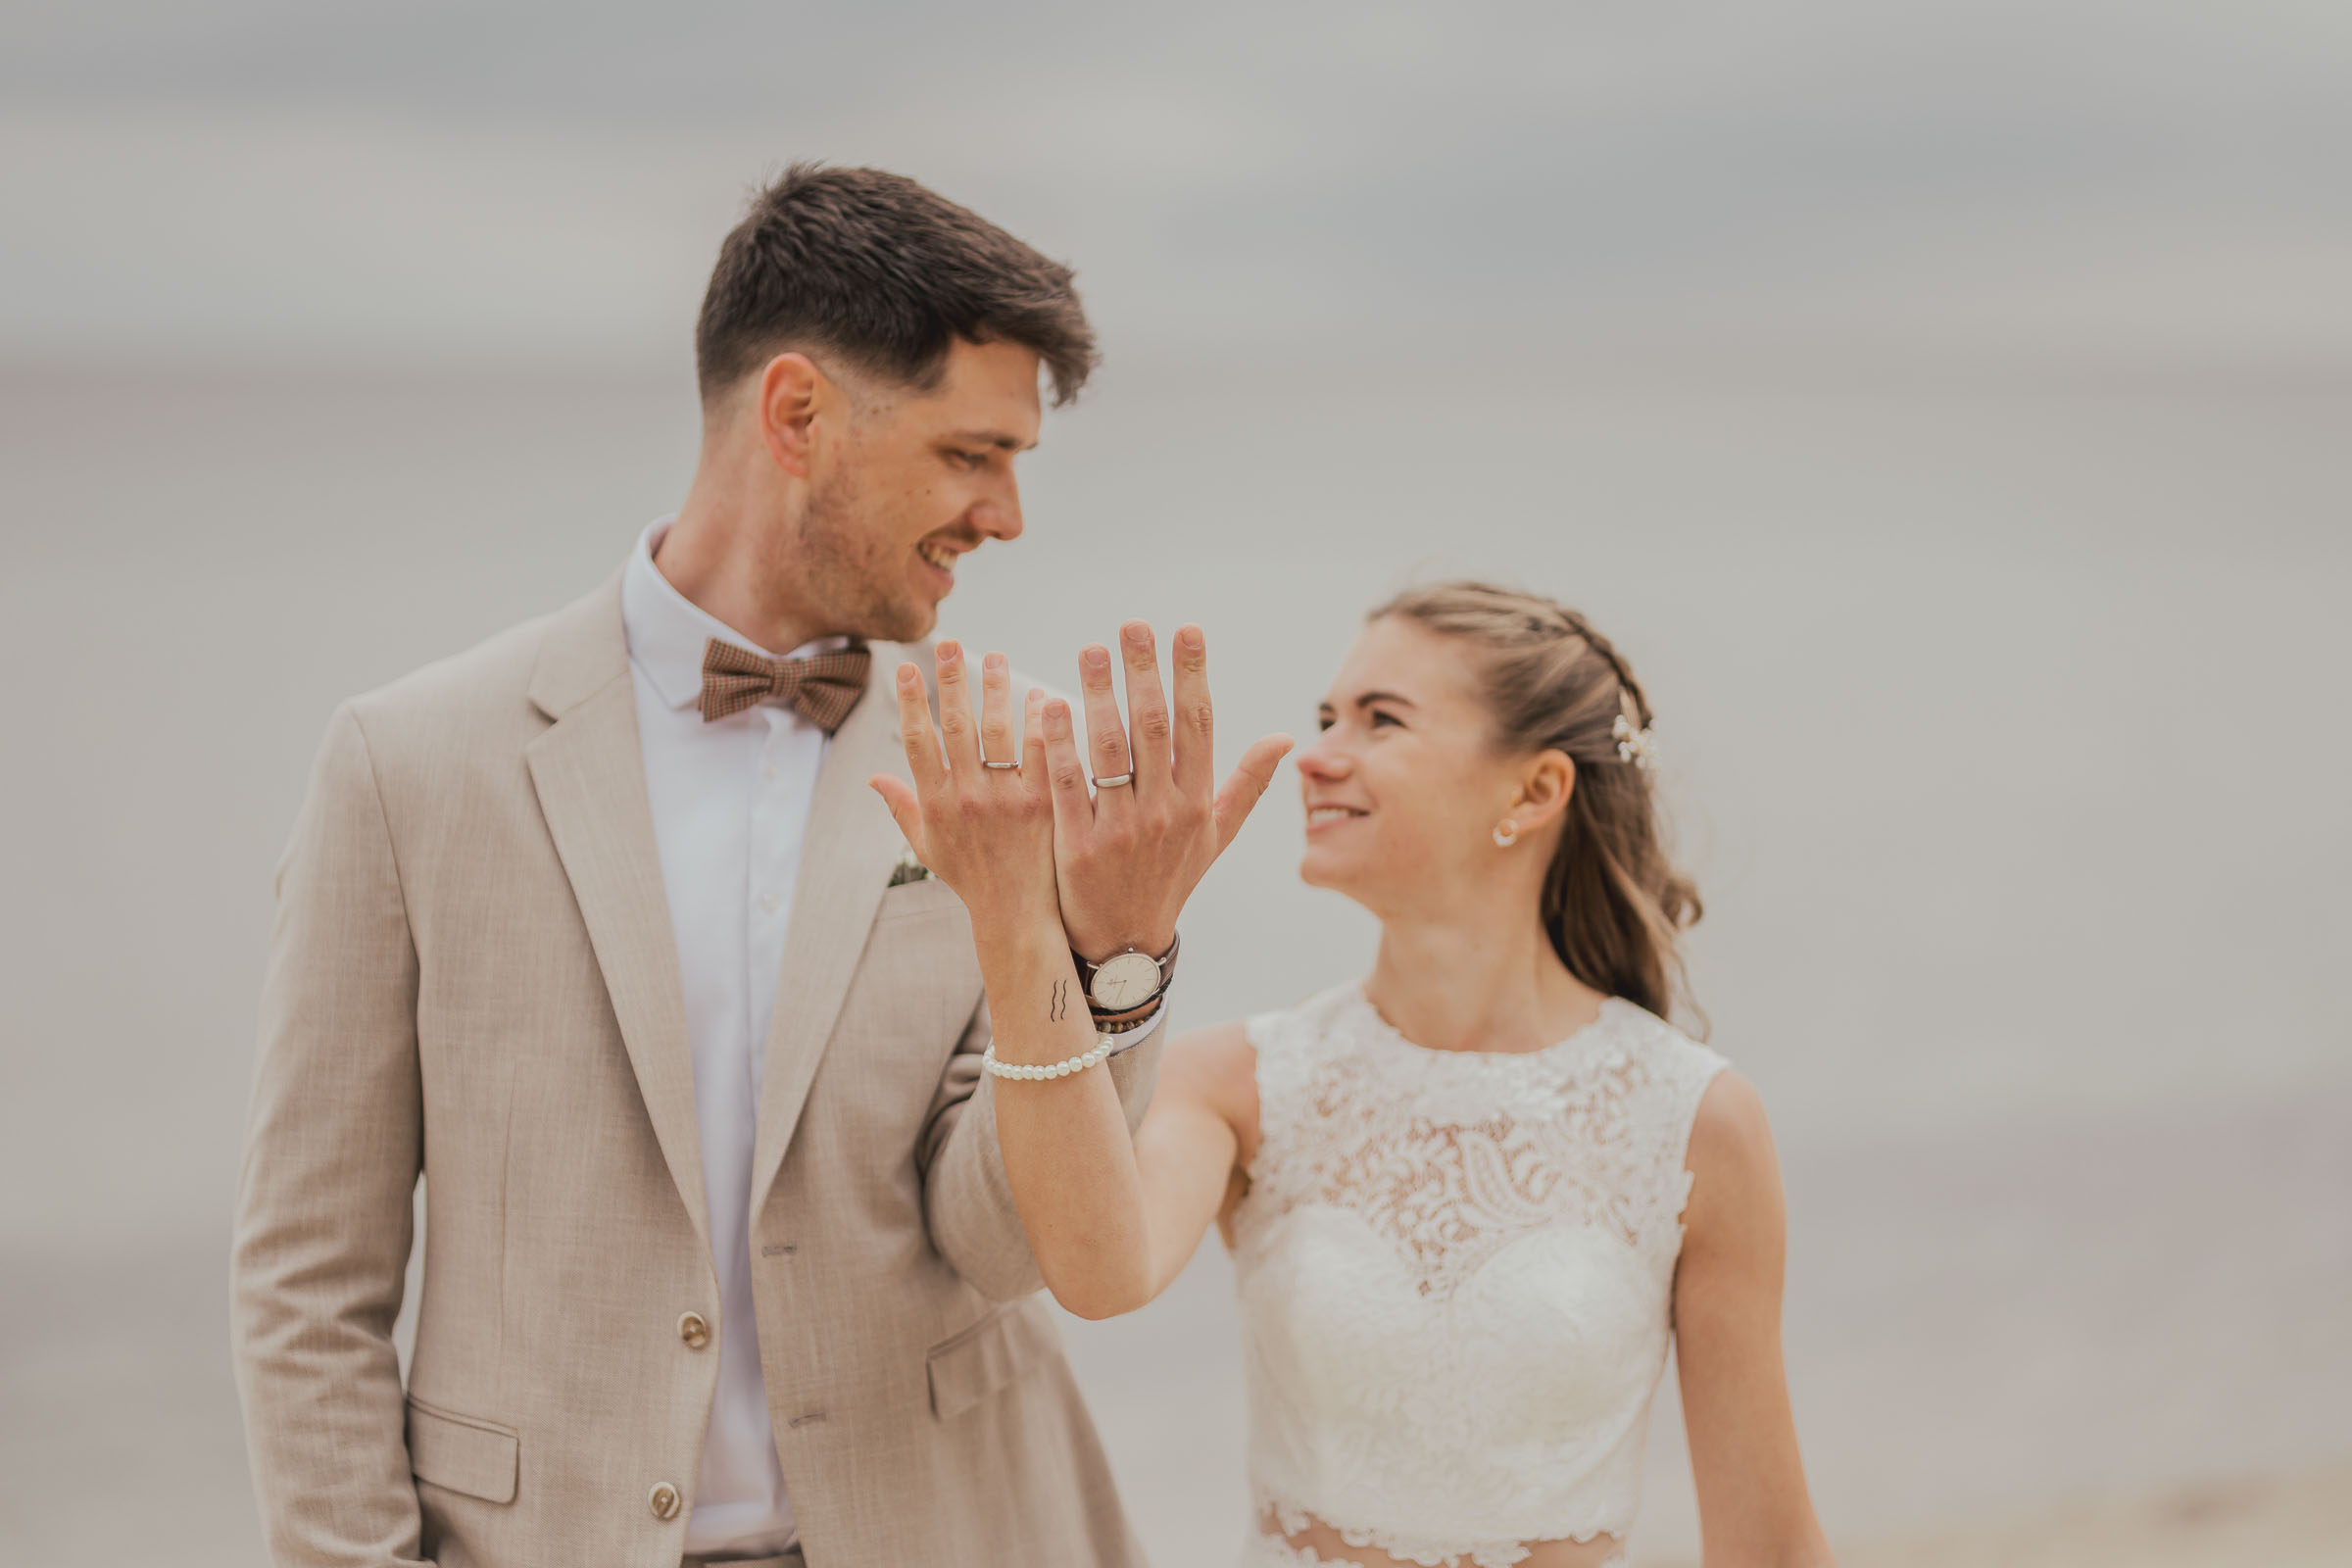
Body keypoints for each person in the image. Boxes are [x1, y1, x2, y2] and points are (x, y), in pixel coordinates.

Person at [230, 163, 1285, 1567]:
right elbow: (310, 1278)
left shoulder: (1006, 766)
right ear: (798, 415)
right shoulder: (409, 765)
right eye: (973, 455)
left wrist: (1109, 966)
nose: (1008, 518)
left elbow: (1005, 1245)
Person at [885, 583, 1838, 1567]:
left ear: (1534, 791)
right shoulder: (1239, 1080)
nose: (1318, 755)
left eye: (1381, 720)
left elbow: (1768, 1544)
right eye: (1325, 718)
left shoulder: (1692, 1119)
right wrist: (1020, 929)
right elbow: (1095, 1271)